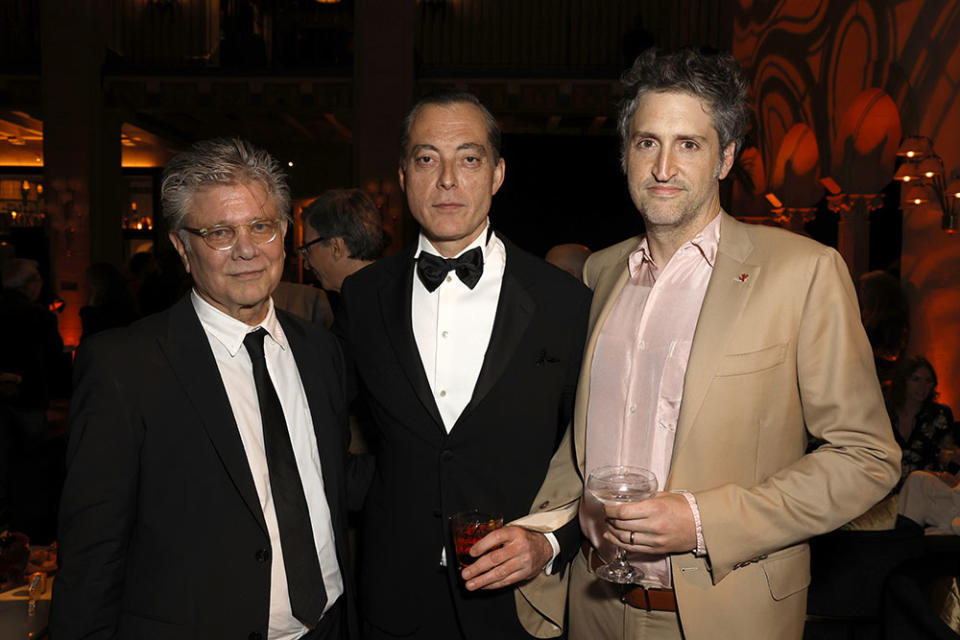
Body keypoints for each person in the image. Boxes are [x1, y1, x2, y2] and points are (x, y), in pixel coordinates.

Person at [529, 48, 901, 640]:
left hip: (727, 615)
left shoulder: (803, 272)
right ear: (625, 153)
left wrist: (704, 521)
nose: (663, 167)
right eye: (647, 142)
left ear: (726, 157)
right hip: (592, 605)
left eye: (690, 144)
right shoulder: (601, 273)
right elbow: (583, 446)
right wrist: (541, 534)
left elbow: (867, 457)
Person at [51, 138, 355, 640]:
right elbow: (92, 553)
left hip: (329, 627)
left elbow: (336, 479)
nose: (247, 250)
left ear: (283, 232)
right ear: (181, 248)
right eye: (219, 232)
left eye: (261, 226)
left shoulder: (321, 352)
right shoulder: (125, 366)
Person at [335, 91, 591, 639]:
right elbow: (329, 430)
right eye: (427, 159)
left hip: (518, 605)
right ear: (403, 176)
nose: (447, 179)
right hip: (394, 597)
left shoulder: (563, 302)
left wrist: (551, 541)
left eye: (469, 159)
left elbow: (595, 453)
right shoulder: (362, 297)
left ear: (497, 174)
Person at [298, 188, 387, 294]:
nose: (306, 265)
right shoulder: (381, 291)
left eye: (307, 249)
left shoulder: (375, 303)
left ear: (336, 247)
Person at [887, 355, 957, 483]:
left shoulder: (940, 414)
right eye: (916, 379)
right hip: (885, 486)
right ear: (903, 381)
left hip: (926, 488)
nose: (922, 386)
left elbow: (949, 454)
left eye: (928, 381)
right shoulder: (885, 413)